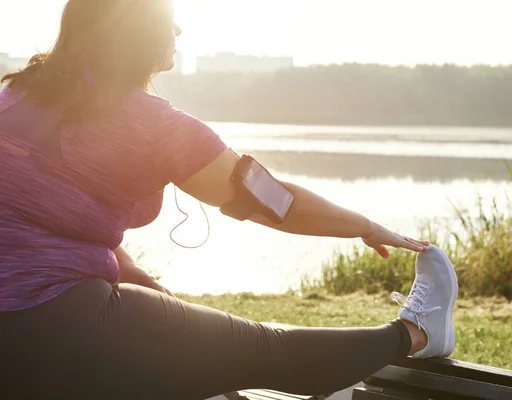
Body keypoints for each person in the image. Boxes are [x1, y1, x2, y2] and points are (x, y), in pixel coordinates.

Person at [0, 0, 458, 398]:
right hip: (56, 325)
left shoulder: (15, 96)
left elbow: (35, 211)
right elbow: (275, 203)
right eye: (168, 19)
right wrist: (365, 225)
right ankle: (418, 331)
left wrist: (128, 267)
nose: (178, 31)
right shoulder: (154, 125)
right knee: (273, 351)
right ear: (135, 33)